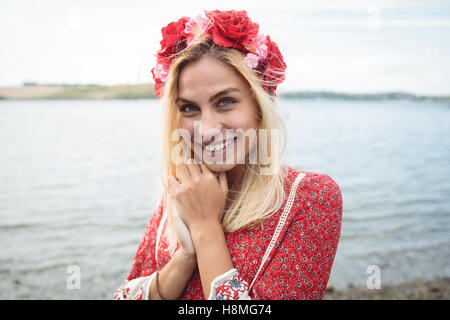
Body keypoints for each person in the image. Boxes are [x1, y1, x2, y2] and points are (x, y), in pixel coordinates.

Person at [113, 9, 342, 300]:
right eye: (188, 108)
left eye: (225, 101)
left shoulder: (310, 198)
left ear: (259, 106)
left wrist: (205, 227)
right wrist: (185, 255)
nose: (207, 130)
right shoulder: (182, 191)